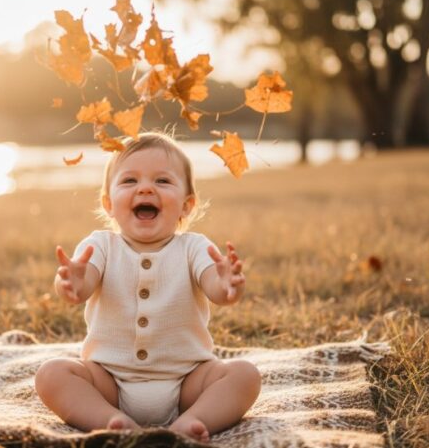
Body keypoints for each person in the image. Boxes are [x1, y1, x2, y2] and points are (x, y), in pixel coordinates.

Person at [34, 132, 261, 443]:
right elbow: (81, 283)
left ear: (187, 205)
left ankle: (193, 420)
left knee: (244, 375)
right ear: (108, 203)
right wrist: (69, 283)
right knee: (51, 374)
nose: (145, 188)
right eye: (129, 181)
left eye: (163, 181)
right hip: (109, 382)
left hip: (188, 383)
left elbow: (216, 289)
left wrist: (227, 286)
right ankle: (110, 419)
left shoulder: (194, 247)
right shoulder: (101, 244)